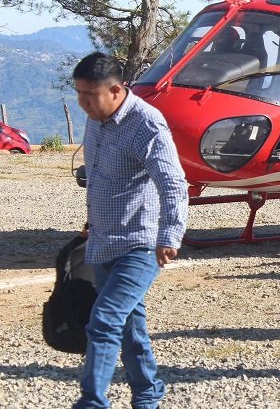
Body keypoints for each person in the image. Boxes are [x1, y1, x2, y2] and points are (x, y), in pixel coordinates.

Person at [72, 52, 189, 408]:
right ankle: (148, 395)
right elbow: (101, 178)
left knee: (104, 320)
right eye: (78, 94)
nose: (83, 103)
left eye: (90, 95)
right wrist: (92, 222)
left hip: (141, 245)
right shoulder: (96, 120)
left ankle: (91, 402)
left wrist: (170, 235)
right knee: (129, 327)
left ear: (116, 90)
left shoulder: (146, 124)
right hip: (105, 242)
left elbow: (173, 183)